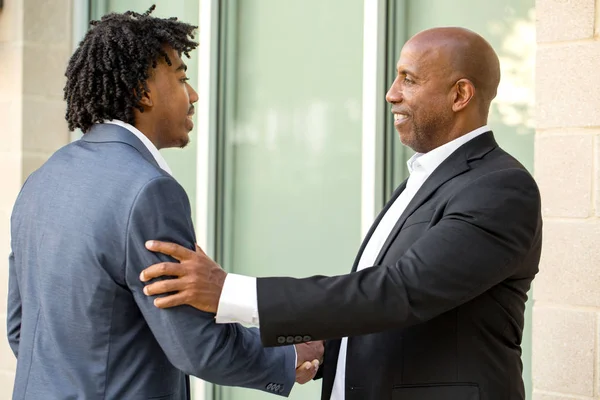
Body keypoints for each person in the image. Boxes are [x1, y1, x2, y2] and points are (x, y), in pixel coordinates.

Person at [139, 27, 542, 400]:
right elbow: (384, 310)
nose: (391, 94)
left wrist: (229, 291)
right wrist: (315, 349)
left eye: (409, 79)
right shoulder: (429, 177)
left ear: (460, 95)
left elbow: (400, 292)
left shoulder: (499, 188)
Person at [7, 7, 321, 400]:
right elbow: (196, 346)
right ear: (143, 91)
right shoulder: (148, 191)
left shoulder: (41, 180)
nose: (194, 95)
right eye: (182, 78)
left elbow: (21, 329)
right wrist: (289, 354)